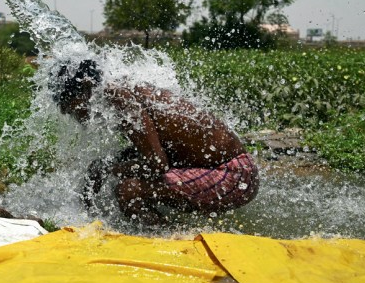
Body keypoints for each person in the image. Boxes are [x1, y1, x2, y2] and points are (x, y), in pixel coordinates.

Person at [51, 59, 258, 222]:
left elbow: (157, 164)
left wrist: (106, 170)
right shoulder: (122, 90)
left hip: (234, 176)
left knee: (129, 190)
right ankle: (168, 230)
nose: (73, 115)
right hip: (220, 169)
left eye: (72, 106)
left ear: (86, 87)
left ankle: (174, 248)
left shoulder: (120, 98)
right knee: (120, 163)